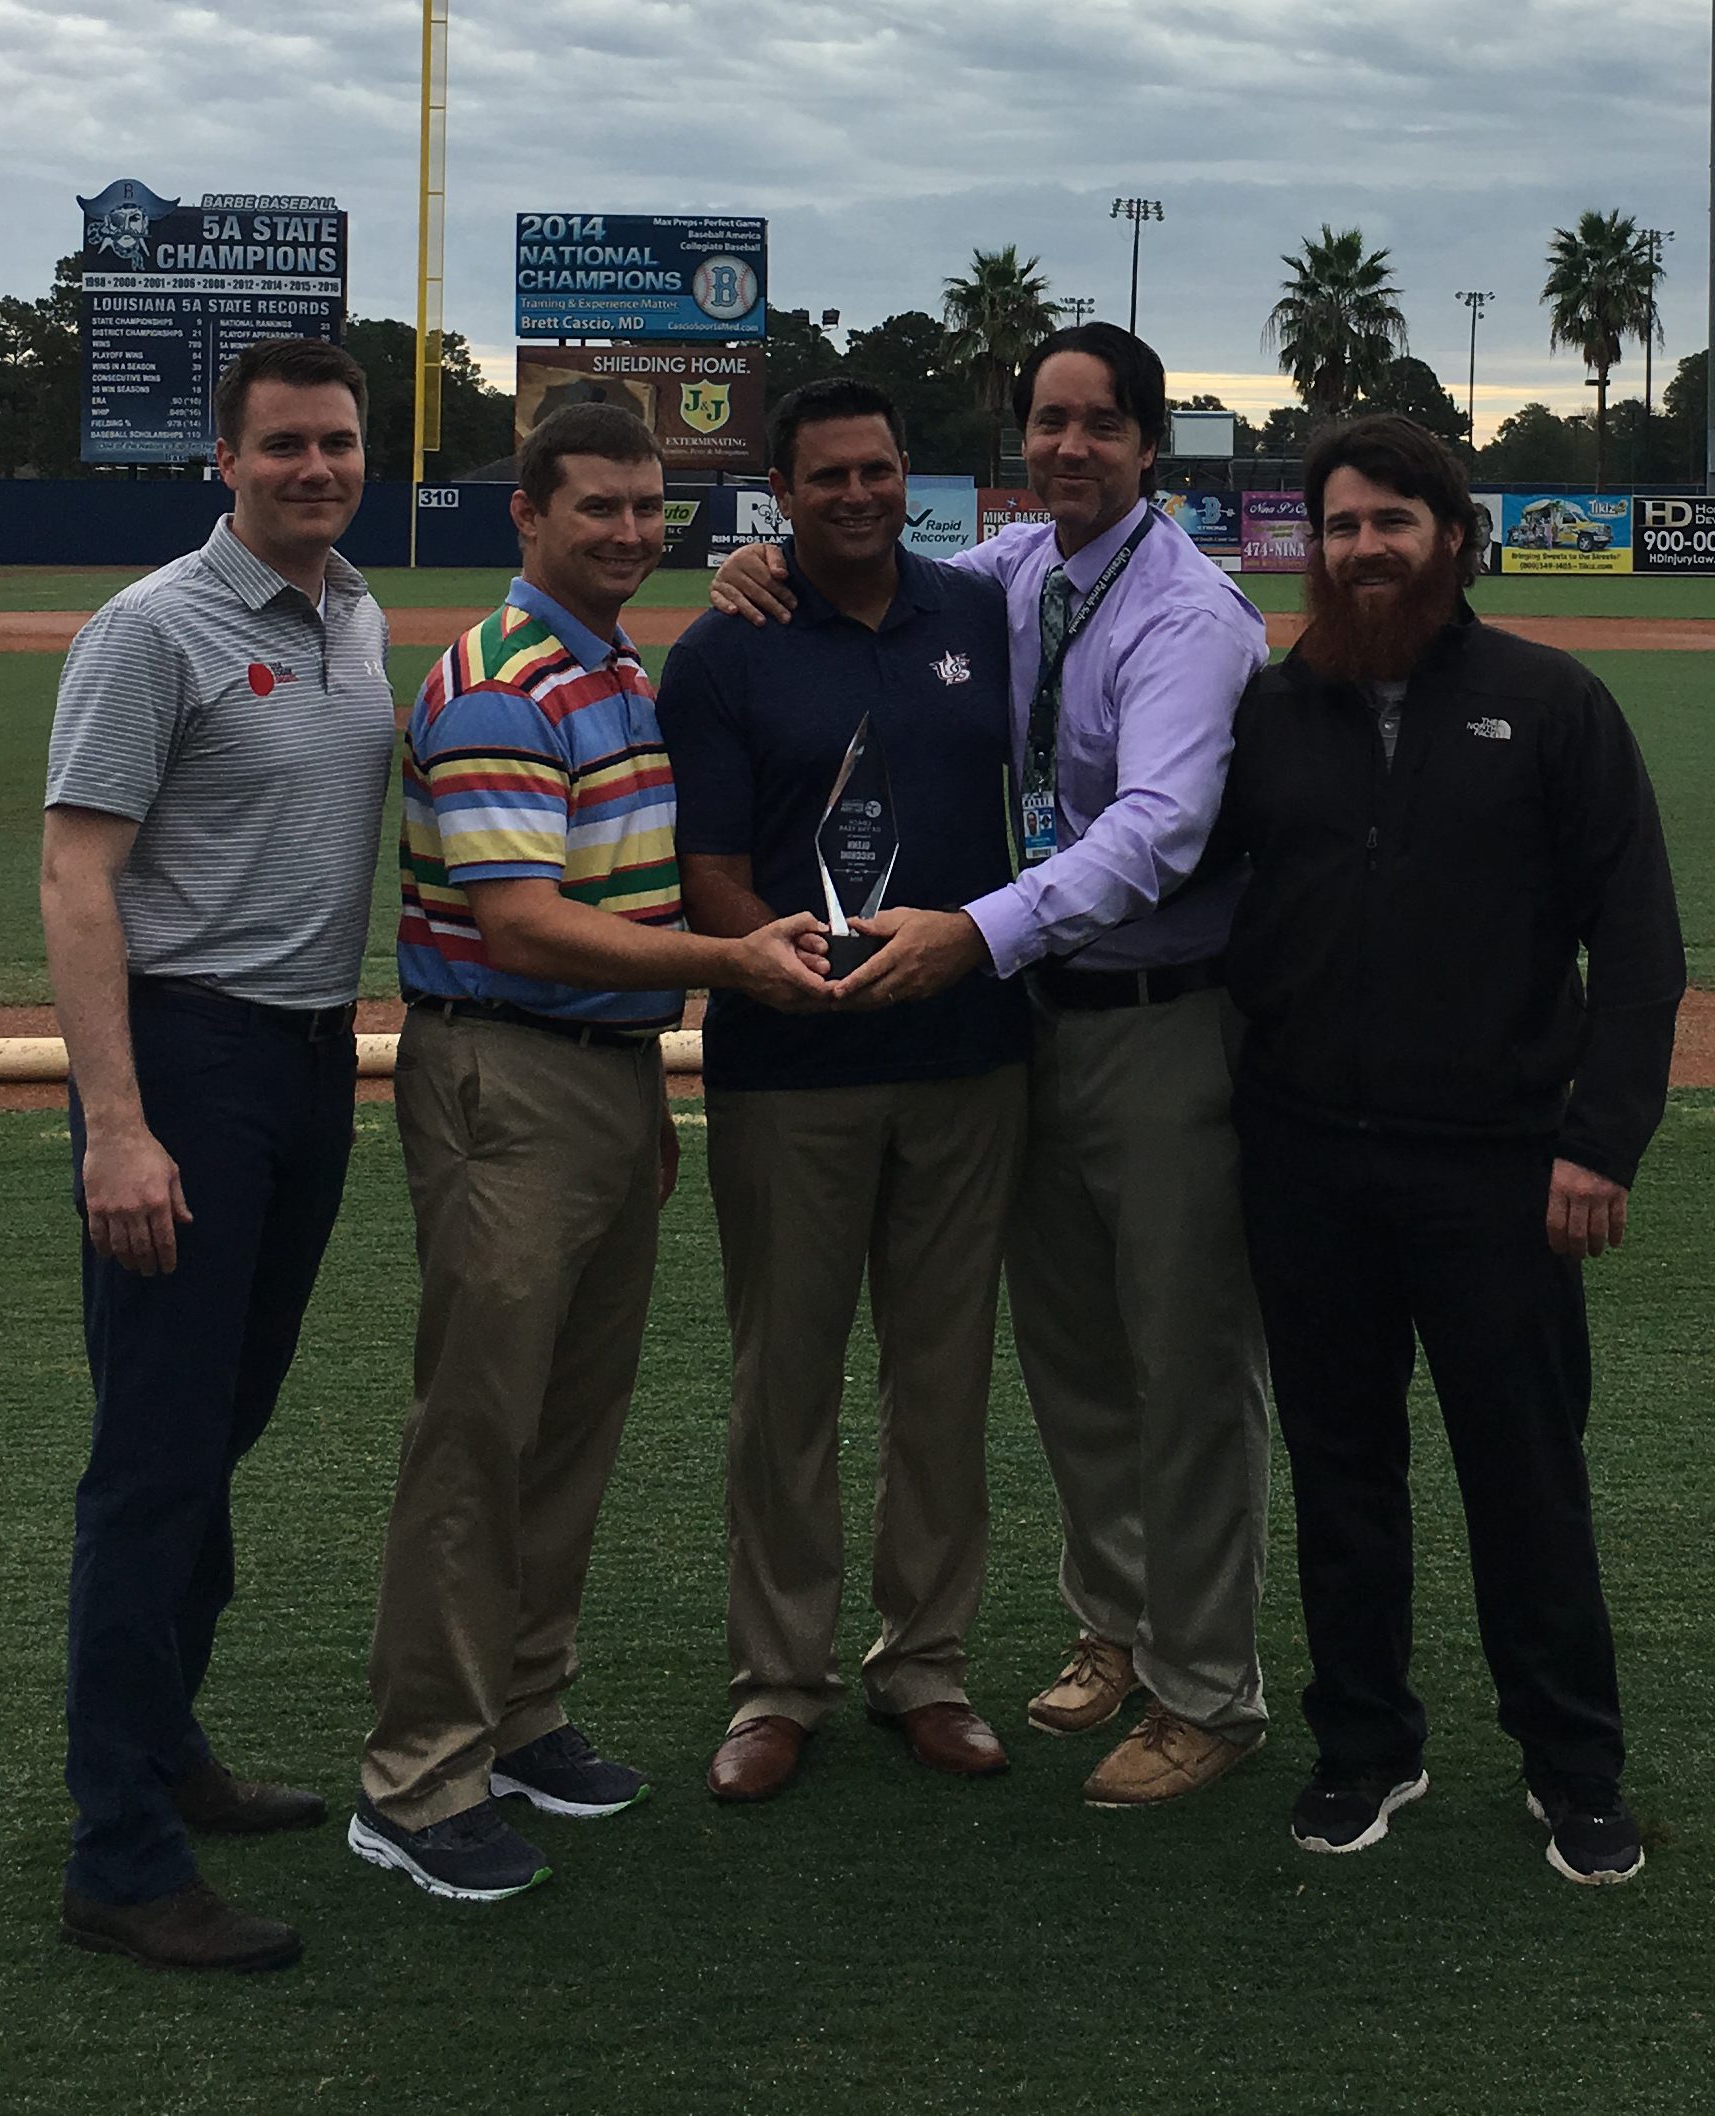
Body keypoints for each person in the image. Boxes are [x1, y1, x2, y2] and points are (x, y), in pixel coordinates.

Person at [715, 325, 1273, 1808]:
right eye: (1048, 422)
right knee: (1080, 1363)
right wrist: (757, 571)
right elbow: (900, 626)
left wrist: (976, 930)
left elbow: (1155, 829)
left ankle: (1210, 1688)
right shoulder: (1017, 578)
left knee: (1188, 1363)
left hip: (1161, 1015)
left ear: (1154, 447)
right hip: (1036, 1027)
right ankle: (1119, 1628)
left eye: (1102, 427)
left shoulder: (1190, 614)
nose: (1070, 448)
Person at [350, 404, 831, 1902]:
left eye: (649, 508)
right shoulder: (504, 680)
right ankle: (419, 1775)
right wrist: (730, 967)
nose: (630, 532)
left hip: (601, 1073)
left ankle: (523, 1714)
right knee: (478, 1432)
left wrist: (642, 1078)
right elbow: (520, 923)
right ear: (528, 517)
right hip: (508, 1065)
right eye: (598, 510)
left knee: (568, 1421)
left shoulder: (613, 665)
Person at [1224, 413, 1685, 1885]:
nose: (1365, 551)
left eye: (1393, 524)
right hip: (1306, 1160)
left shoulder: (1549, 702)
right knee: (1341, 1472)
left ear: (1452, 536)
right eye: (1341, 527)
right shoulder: (1274, 708)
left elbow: (1641, 943)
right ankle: (1366, 1748)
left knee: (1525, 1473)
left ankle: (1573, 1764)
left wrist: (1600, 1142)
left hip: (1497, 1165)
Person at [42, 337, 395, 1972]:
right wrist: (117, 1125)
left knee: (221, 1431)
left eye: (336, 445)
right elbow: (75, 881)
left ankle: (166, 1745)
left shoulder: (357, 616)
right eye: (284, 448)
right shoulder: (152, 630)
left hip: (311, 1062)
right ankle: (119, 1852)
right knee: (157, 1463)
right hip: (186, 1063)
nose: (315, 470)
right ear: (224, 458)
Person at [657, 377, 1030, 1803]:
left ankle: (926, 1667)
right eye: (829, 480)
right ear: (780, 493)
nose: (859, 497)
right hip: (788, 1064)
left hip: (966, 1057)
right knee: (784, 1382)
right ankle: (778, 1681)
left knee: (941, 1377)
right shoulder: (725, 648)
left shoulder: (980, 617)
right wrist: (769, 958)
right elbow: (710, 866)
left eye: (879, 472)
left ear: (907, 476)